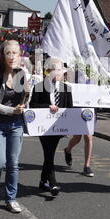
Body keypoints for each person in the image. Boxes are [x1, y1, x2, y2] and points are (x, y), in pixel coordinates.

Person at [0, 40, 28, 213]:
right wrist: (11, 110)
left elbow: (24, 100)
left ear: (19, 55)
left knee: (13, 163)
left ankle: (11, 198)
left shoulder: (21, 74)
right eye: (8, 53)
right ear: (2, 55)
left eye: (14, 53)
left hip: (16, 125)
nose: (11, 56)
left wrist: (25, 101)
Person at [30, 58, 73, 197]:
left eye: (60, 70)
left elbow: (70, 109)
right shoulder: (39, 87)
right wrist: (47, 107)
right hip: (43, 127)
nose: (58, 73)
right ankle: (53, 183)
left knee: (50, 154)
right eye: (55, 69)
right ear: (48, 71)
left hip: (58, 127)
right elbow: (33, 106)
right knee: (49, 153)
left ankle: (43, 180)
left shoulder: (66, 88)